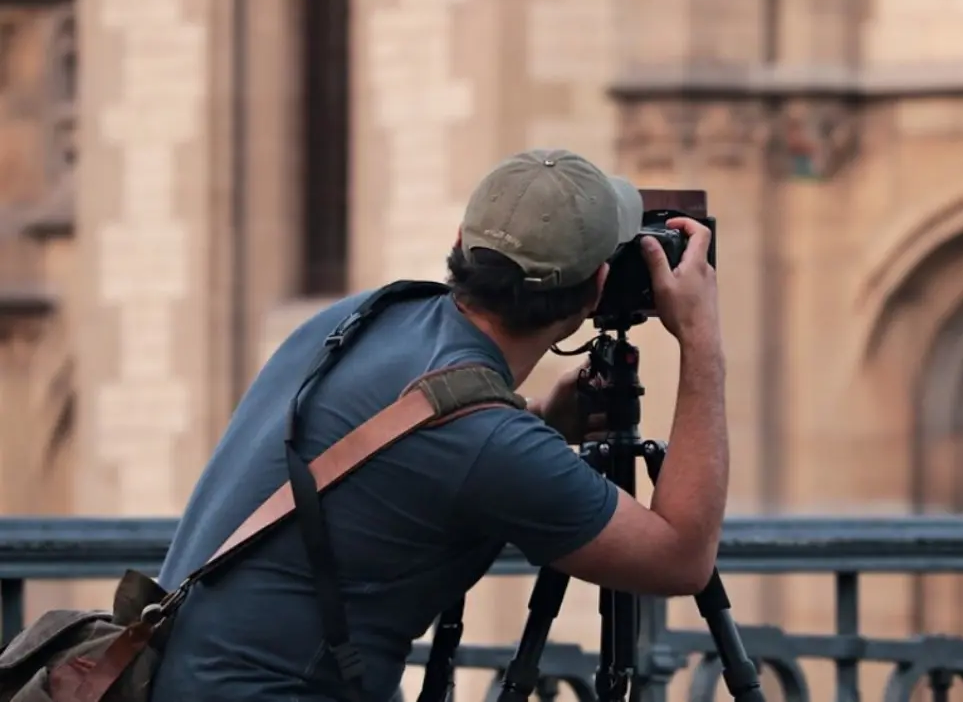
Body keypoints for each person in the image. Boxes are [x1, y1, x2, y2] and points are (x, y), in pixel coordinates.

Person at [148, 148, 730, 702]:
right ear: (598, 288)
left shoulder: (363, 315)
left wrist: (544, 421)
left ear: (461, 244)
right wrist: (700, 339)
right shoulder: (489, 444)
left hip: (168, 674)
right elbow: (681, 558)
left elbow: (421, 446)